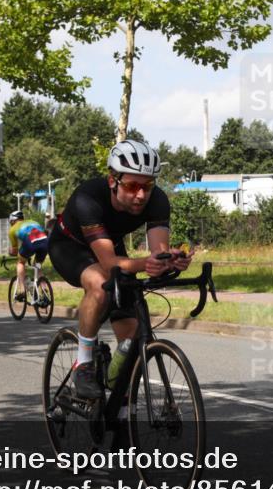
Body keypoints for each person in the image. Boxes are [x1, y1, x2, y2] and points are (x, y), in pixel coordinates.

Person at [48, 139, 192, 399]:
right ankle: (83, 364)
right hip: (69, 246)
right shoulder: (87, 198)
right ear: (113, 180)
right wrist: (146, 264)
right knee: (100, 285)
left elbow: (157, 253)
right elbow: (108, 263)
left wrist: (169, 261)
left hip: (109, 247)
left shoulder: (157, 200)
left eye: (147, 186)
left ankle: (117, 394)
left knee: (133, 333)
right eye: (132, 186)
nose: (141, 194)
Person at [7, 211, 48, 302]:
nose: (11, 224)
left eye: (10, 222)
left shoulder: (12, 229)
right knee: (38, 266)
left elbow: (14, 251)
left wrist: (11, 253)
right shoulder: (34, 222)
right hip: (45, 241)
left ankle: (22, 290)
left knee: (20, 263)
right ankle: (44, 290)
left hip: (30, 241)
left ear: (13, 220)